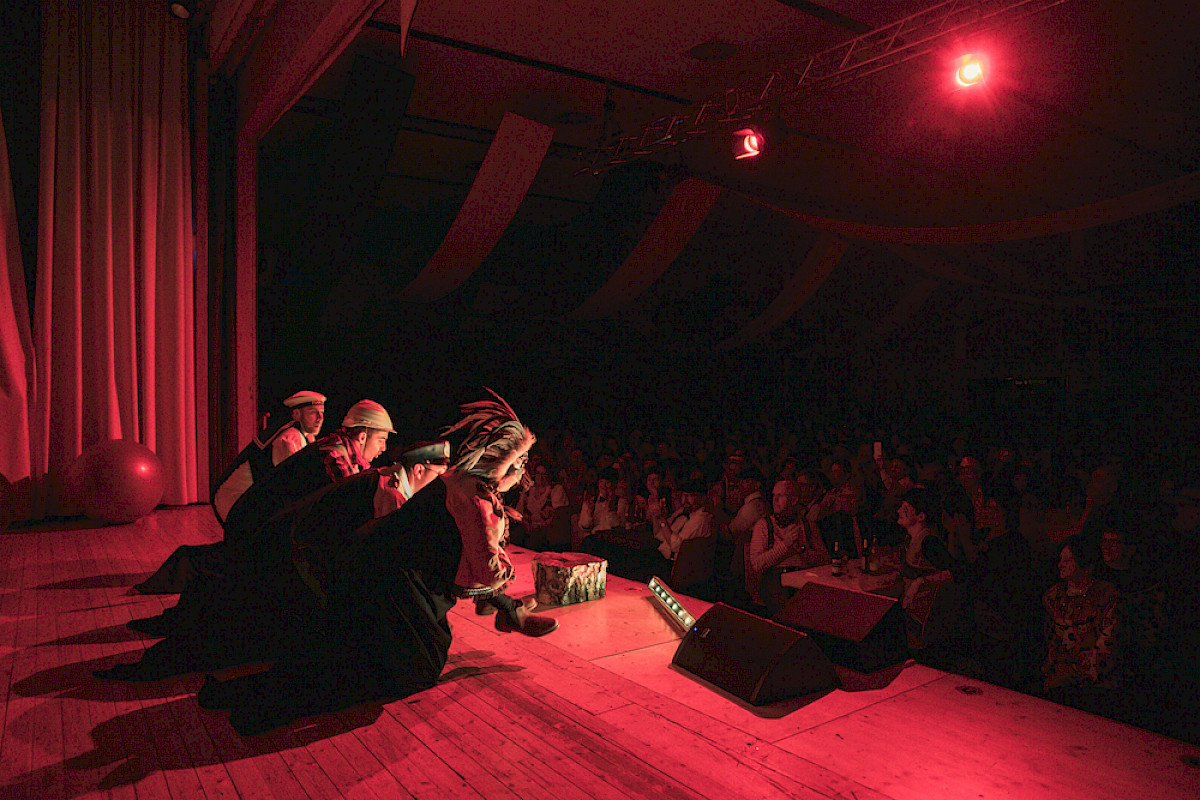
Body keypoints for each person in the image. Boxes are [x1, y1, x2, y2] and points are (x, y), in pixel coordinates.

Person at [192, 389, 557, 736]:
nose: (523, 471)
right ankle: (266, 706)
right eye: (521, 461)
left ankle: (247, 693)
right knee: (413, 668)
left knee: (355, 654)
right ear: (505, 460)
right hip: (380, 582)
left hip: (370, 571)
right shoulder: (473, 498)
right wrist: (503, 566)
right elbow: (485, 570)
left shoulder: (455, 480)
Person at [96, 442, 451, 681]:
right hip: (289, 562)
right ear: (420, 469)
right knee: (236, 636)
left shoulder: (381, 479)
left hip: (286, 551)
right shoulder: (389, 493)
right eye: (438, 475)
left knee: (232, 622)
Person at [132, 398, 396, 597]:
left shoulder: (336, 448)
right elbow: (346, 500)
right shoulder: (334, 456)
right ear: (363, 436)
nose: (384, 448)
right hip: (253, 523)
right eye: (381, 439)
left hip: (258, 519)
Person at [210, 390, 326, 523]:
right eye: (313, 412)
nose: (320, 418)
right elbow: (295, 483)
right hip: (235, 503)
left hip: (247, 501)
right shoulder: (290, 438)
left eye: (321, 413)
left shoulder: (305, 436)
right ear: (296, 414)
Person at [1042, 535, 1122, 715]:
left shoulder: (1106, 597)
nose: (1060, 565)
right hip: (1059, 681)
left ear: (1086, 566)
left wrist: (1074, 672)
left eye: (1068, 560)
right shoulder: (1054, 597)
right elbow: (1052, 644)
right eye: (1061, 559)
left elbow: (1108, 647)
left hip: (1098, 684)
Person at [746, 478, 830, 617]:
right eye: (774, 495)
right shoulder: (764, 525)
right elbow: (757, 564)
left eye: (780, 495)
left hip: (803, 577)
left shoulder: (808, 526)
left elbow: (825, 560)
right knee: (790, 611)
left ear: (794, 500)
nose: (775, 500)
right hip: (776, 578)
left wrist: (802, 550)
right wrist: (785, 546)